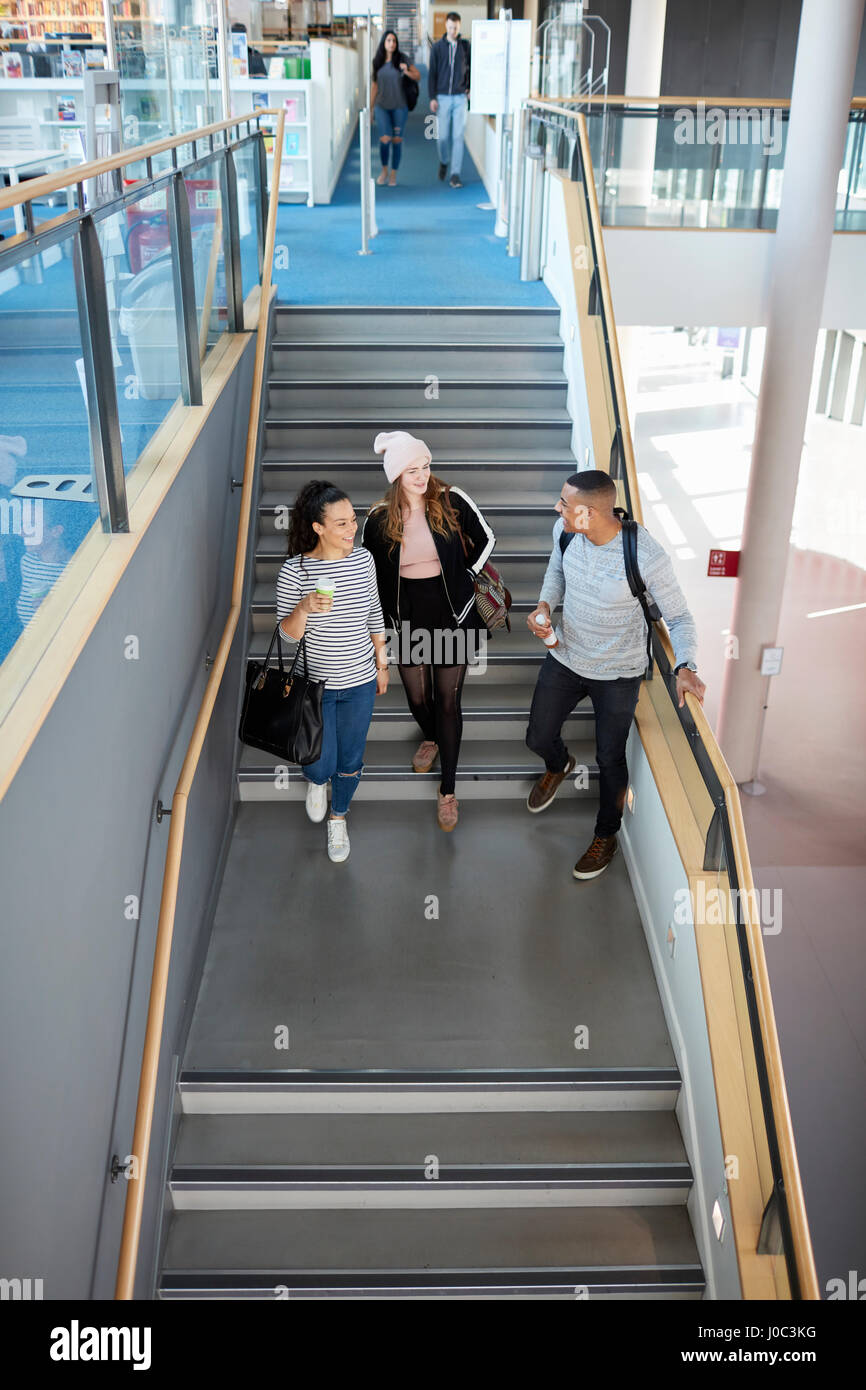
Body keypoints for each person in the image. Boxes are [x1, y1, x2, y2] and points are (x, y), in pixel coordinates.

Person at [525, 469, 706, 880]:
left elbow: (680, 618)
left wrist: (686, 666)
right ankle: (559, 764)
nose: (557, 508)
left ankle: (606, 835)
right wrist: (544, 606)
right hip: (566, 658)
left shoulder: (645, 555)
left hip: (619, 673)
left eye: (565, 504)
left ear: (588, 513)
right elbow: (556, 573)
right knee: (537, 736)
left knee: (609, 757)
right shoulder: (565, 532)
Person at [361, 431, 494, 832]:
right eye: (411, 470)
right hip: (408, 614)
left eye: (425, 466)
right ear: (396, 476)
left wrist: (466, 574)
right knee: (418, 697)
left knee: (448, 702)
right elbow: (369, 571)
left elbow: (486, 537)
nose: (422, 476)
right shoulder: (378, 519)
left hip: (453, 611)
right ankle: (433, 737)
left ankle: (447, 790)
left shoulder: (451, 500)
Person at [276, 481, 389, 863]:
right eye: (341, 523)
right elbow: (286, 638)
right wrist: (304, 608)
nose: (351, 529)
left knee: (350, 760)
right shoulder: (294, 572)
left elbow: (375, 613)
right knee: (318, 761)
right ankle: (315, 781)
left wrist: (382, 664)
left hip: (360, 683)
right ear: (318, 527)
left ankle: (338, 817)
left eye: (352, 520)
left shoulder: (364, 561)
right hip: (314, 688)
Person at [371, 30, 420, 187]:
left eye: (394, 41)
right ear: (384, 43)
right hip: (382, 106)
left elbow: (418, 76)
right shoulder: (377, 61)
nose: (392, 43)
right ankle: (384, 170)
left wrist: (406, 71)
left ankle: (393, 174)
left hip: (400, 106)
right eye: (389, 40)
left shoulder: (402, 58)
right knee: (385, 139)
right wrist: (370, 109)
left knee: (397, 141)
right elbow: (374, 86)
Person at [428, 11, 470, 188]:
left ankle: (455, 174)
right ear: (446, 25)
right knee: (442, 138)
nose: (453, 31)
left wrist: (469, 88)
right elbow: (432, 73)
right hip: (443, 97)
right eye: (451, 27)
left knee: (458, 136)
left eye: (456, 28)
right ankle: (444, 161)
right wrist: (432, 97)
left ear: (459, 27)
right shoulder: (437, 48)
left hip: (460, 97)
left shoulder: (465, 46)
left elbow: (470, 68)